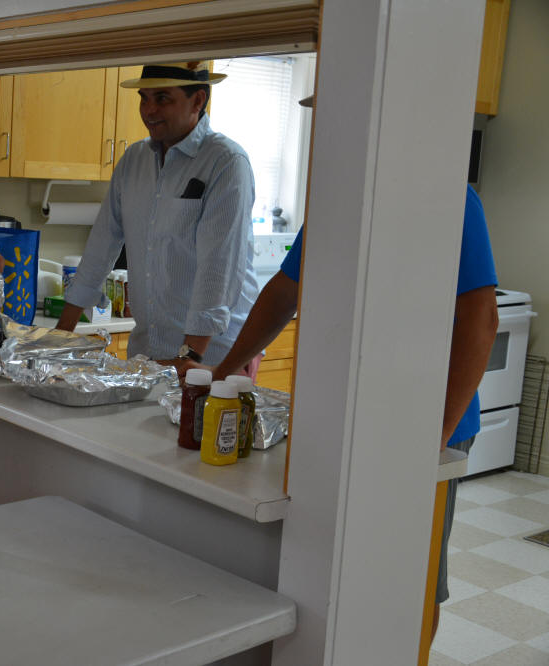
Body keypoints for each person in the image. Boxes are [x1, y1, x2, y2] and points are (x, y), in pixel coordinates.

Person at [194, 186, 498, 643]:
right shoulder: (343, 190)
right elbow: (284, 294)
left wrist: (434, 441)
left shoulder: (449, 194)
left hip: (427, 430)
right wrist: (222, 372)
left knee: (413, 583)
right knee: (347, 571)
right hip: (354, 425)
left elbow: (482, 319)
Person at [56, 61, 259, 376]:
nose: (149, 110)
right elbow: (101, 245)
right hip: (149, 350)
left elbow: (217, 270)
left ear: (198, 100)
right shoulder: (134, 160)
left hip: (214, 356)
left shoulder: (226, 162)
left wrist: (188, 358)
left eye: (162, 98)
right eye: (144, 98)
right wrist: (59, 339)